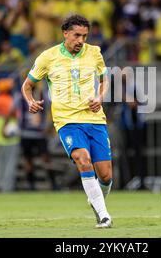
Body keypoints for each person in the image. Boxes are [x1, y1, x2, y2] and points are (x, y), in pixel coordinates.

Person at [22, 14, 113, 228]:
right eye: (76, 35)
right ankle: (104, 216)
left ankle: (97, 201)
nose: (81, 40)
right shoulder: (48, 57)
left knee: (106, 175)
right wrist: (30, 101)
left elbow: (104, 79)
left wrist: (100, 98)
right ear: (65, 33)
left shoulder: (95, 53)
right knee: (83, 159)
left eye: (84, 36)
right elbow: (27, 85)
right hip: (67, 121)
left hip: (95, 119)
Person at [18, 79, 58, 191]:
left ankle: (53, 184)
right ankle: (31, 185)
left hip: (39, 134)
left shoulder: (42, 95)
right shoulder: (21, 97)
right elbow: (14, 111)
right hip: (26, 133)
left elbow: (51, 108)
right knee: (28, 160)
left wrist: (49, 126)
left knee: (46, 159)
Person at [0, 78, 20, 192]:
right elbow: (13, 114)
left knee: (0, 162)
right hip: (9, 136)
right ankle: (6, 187)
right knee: (10, 163)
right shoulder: (9, 100)